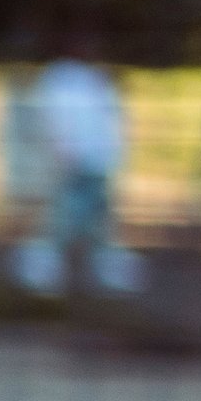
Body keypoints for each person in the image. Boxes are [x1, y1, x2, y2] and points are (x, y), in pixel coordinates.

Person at [10, 29, 137, 297]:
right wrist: (63, 152)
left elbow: (108, 121)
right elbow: (55, 120)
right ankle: (41, 270)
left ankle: (95, 271)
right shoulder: (61, 79)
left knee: (94, 222)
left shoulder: (94, 80)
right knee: (64, 221)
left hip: (96, 163)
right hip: (74, 162)